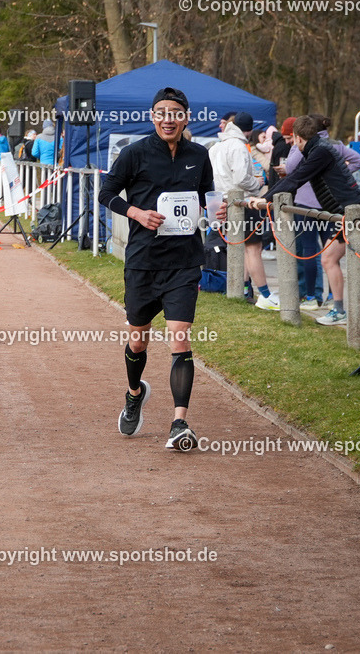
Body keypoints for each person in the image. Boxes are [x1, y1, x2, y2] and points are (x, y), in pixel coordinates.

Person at [98, 86, 213, 451]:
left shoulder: (199, 155)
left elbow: (205, 198)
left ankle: (179, 422)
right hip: (144, 262)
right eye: (162, 112)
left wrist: (215, 212)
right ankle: (135, 394)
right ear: (152, 116)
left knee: (180, 337)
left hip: (184, 260)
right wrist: (135, 212)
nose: (169, 118)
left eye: (176, 112)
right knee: (139, 337)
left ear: (186, 117)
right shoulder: (135, 153)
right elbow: (106, 193)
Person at [247, 115, 360, 327]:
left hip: (350, 211)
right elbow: (296, 176)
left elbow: (295, 179)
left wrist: (263, 199)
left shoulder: (320, 152)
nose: (291, 145)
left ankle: (339, 310)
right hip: (357, 207)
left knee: (328, 259)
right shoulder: (318, 149)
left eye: (292, 141)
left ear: (299, 138)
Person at [284, 113, 360, 310]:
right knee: (330, 255)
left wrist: (296, 144)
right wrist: (341, 174)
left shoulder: (308, 147)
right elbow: (359, 161)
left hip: (307, 204)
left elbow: (289, 168)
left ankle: (312, 296)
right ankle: (331, 296)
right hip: (330, 205)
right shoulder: (334, 144)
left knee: (311, 250)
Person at [209, 111, 278, 310]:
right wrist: (256, 183)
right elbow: (240, 178)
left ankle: (244, 289)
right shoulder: (238, 146)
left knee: (238, 247)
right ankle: (265, 294)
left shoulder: (217, 146)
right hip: (243, 201)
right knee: (253, 249)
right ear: (248, 131)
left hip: (224, 201)